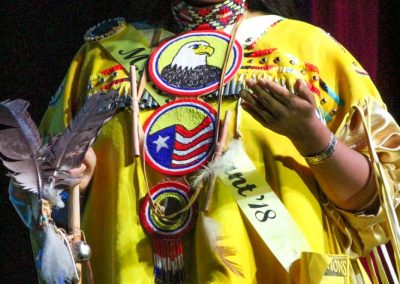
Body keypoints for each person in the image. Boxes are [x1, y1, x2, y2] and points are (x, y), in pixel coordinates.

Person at [10, 0, 400, 283]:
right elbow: (42, 203)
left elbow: (380, 202)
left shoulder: (304, 51)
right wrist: (66, 185)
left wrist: (315, 139)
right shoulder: (102, 61)